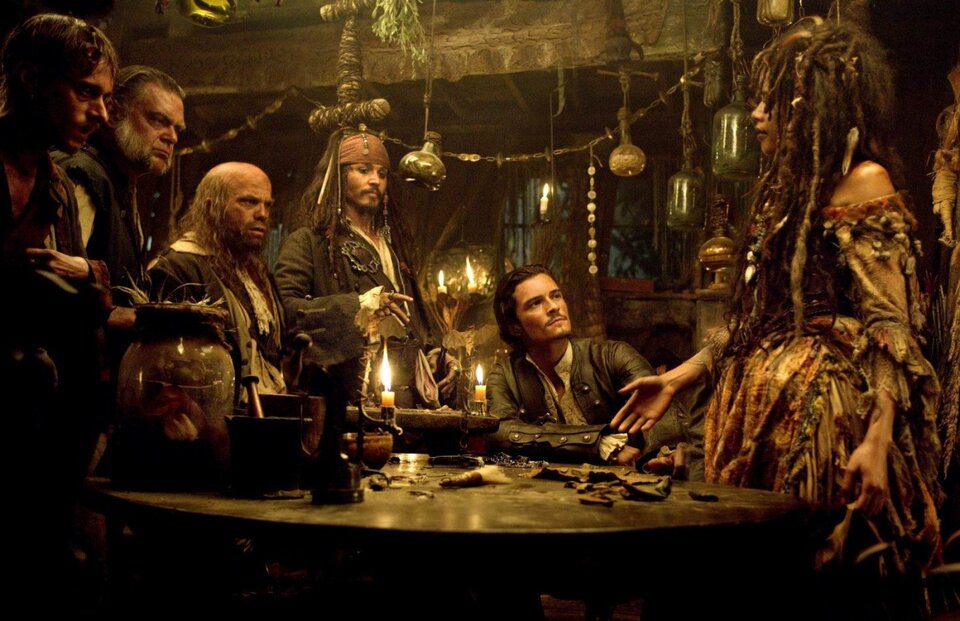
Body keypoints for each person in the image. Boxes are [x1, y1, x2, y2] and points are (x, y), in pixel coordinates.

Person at [611, 15, 942, 591]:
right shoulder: (781, 194)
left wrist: (878, 438)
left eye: (773, 101)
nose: (757, 114)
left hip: (823, 417)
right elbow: (755, 321)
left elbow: (890, 324)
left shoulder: (864, 181)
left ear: (814, 107)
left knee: (811, 579)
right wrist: (678, 379)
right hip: (754, 412)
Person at [0, 12, 117, 607]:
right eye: (85, 92)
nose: (101, 113)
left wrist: (87, 280)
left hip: (39, 444)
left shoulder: (58, 188)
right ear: (30, 79)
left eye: (106, 98)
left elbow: (86, 306)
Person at [274, 126, 457, 409]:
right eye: (363, 170)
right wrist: (361, 305)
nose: (375, 180)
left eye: (382, 174)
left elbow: (408, 323)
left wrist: (434, 354)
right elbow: (285, 312)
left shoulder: (394, 248)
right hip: (343, 397)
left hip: (402, 398)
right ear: (339, 177)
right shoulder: (308, 243)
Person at [486, 264, 705, 474]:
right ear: (515, 327)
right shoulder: (505, 375)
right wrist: (599, 444)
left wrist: (665, 454)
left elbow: (659, 412)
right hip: (540, 493)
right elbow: (498, 431)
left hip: (622, 490)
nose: (553, 307)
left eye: (556, 296)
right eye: (535, 303)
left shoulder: (612, 355)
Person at [55, 65, 185, 326]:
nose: (171, 137)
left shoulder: (121, 183)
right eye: (158, 120)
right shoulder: (84, 174)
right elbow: (56, 288)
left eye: (177, 129)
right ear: (113, 114)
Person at [148, 162, 285, 402]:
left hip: (263, 412)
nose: (262, 213)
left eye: (267, 204)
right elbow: (170, 368)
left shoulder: (256, 271)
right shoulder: (178, 268)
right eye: (248, 202)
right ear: (211, 208)